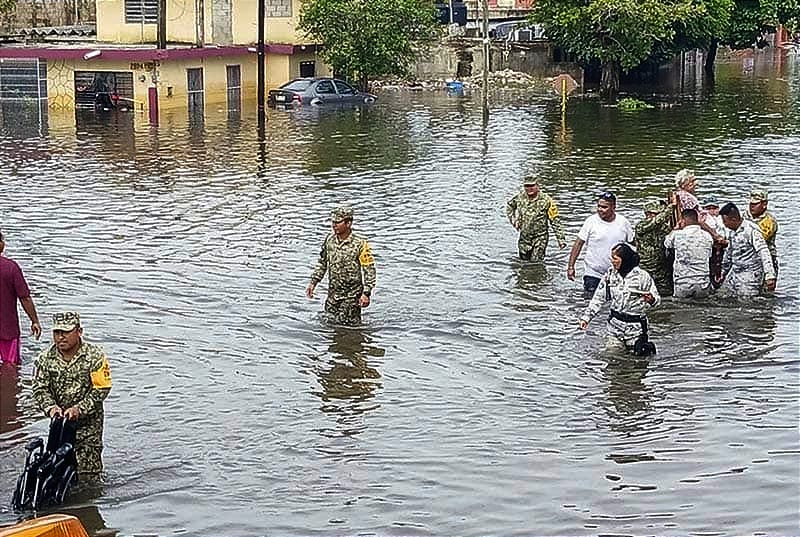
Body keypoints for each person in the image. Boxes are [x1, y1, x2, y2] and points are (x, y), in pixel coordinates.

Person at [32, 312, 112, 476]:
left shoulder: (95, 356)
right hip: (60, 425)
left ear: (79, 331)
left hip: (89, 426)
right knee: (57, 470)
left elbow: (102, 388)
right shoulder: (45, 359)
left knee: (89, 474)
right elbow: (40, 388)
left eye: (66, 332)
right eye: (57, 332)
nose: (60, 337)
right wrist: (50, 407)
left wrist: (79, 409)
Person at [578, 243, 661, 355]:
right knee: (612, 356)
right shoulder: (610, 275)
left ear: (624, 259)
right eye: (612, 258)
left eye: (615, 259)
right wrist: (586, 318)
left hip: (636, 329)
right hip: (615, 327)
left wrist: (651, 300)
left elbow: (657, 301)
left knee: (637, 360)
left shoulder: (643, 277)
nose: (612, 261)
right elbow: (598, 298)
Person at [306, 206, 377, 326]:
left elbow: (369, 270)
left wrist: (366, 293)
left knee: (349, 327)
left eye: (338, 222)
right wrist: (313, 283)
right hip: (333, 293)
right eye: (333, 222)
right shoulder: (329, 240)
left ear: (348, 223)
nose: (334, 225)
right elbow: (322, 263)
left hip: (352, 295)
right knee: (330, 324)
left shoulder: (360, 244)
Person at [567, 191, 634, 297]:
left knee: (614, 302)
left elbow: (633, 244)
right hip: (593, 272)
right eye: (598, 206)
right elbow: (578, 244)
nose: (600, 209)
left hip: (617, 274)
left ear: (613, 207)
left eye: (604, 207)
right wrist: (571, 266)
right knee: (590, 300)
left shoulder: (623, 223)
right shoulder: (591, 221)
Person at [0, 229, 42, 365]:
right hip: (7, 330)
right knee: (10, 366)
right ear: (1, 245)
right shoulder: (10, 268)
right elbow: (25, 298)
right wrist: (34, 321)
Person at [717, 203, 776, 298]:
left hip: (750, 275)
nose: (724, 224)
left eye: (725, 221)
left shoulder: (751, 231)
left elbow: (764, 252)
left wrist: (769, 275)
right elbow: (729, 254)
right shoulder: (731, 232)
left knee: (746, 302)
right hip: (735, 273)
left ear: (733, 219)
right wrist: (722, 273)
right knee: (721, 296)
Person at [506, 175, 566, 261]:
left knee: (536, 262)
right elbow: (510, 206)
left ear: (538, 186)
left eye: (532, 186)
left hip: (540, 238)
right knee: (523, 262)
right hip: (524, 238)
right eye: (527, 186)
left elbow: (555, 220)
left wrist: (561, 239)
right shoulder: (520, 197)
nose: (529, 188)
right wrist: (514, 220)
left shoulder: (547, 200)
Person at [664, 209, 714, 299]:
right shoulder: (707, 236)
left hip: (683, 282)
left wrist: (675, 228)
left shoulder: (677, 235)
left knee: (680, 306)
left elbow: (667, 244)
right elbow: (709, 255)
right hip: (703, 282)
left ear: (682, 220)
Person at [634, 199, 675, 297]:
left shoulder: (662, 227)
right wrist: (670, 208)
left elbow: (671, 235)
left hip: (660, 266)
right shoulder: (641, 225)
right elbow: (656, 221)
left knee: (666, 293)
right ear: (648, 214)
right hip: (645, 266)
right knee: (644, 292)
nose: (659, 215)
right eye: (656, 213)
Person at [673, 169, 723, 241]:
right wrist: (715, 235)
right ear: (684, 184)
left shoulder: (681, 195)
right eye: (692, 181)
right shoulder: (687, 198)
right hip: (701, 229)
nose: (696, 183)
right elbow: (698, 220)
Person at [747, 189, 778, 276]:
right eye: (751, 204)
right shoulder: (745, 215)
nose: (752, 207)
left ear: (764, 204)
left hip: (766, 260)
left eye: (755, 204)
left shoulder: (769, 221)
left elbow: (759, 240)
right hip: (748, 260)